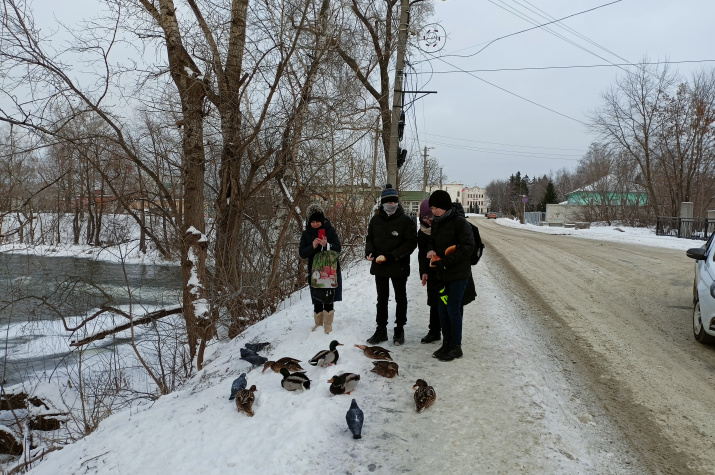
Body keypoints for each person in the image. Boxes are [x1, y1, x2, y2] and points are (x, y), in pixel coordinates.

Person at [365, 184, 418, 345]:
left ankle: (399, 329)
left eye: (394, 202)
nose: (392, 205)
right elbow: (370, 238)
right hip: (379, 266)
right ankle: (381, 329)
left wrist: (392, 256)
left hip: (398, 265)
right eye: (389, 202)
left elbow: (410, 243)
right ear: (383, 203)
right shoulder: (375, 219)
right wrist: (370, 251)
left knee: (400, 298)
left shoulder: (406, 220)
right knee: (382, 298)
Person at [426, 190, 475, 361]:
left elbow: (468, 246)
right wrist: (431, 250)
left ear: (446, 207)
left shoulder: (459, 222)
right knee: (442, 309)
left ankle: (456, 347)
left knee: (453, 309)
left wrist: (446, 262)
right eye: (432, 208)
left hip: (458, 274)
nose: (434, 211)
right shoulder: (436, 223)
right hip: (442, 274)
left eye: (437, 208)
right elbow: (432, 241)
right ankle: (446, 343)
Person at [299, 203, 342, 334]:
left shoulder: (330, 230)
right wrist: (312, 246)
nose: (316, 224)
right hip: (314, 271)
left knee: (328, 294)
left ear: (323, 220)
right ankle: (318, 324)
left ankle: (328, 324)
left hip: (330, 270)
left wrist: (327, 245)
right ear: (309, 221)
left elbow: (338, 248)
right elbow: (302, 253)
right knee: (316, 295)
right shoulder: (306, 234)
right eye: (312, 221)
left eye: (318, 221)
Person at [417, 199, 441, 344]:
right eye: (425, 217)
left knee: (446, 301)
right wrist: (423, 272)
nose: (428, 220)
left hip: (445, 269)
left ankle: (449, 332)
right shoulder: (422, 232)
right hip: (431, 271)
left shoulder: (443, 227)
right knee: (433, 301)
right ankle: (434, 331)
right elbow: (421, 254)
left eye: (430, 216)